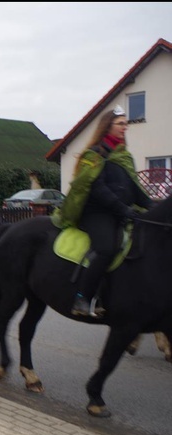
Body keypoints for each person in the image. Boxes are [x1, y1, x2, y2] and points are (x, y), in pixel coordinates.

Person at [55, 105, 154, 318]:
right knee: (106, 248)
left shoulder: (123, 157)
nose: (124, 128)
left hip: (119, 213)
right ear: (107, 126)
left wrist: (157, 209)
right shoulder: (93, 155)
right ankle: (82, 298)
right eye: (120, 124)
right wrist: (123, 209)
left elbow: (136, 191)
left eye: (126, 124)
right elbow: (98, 190)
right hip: (94, 214)